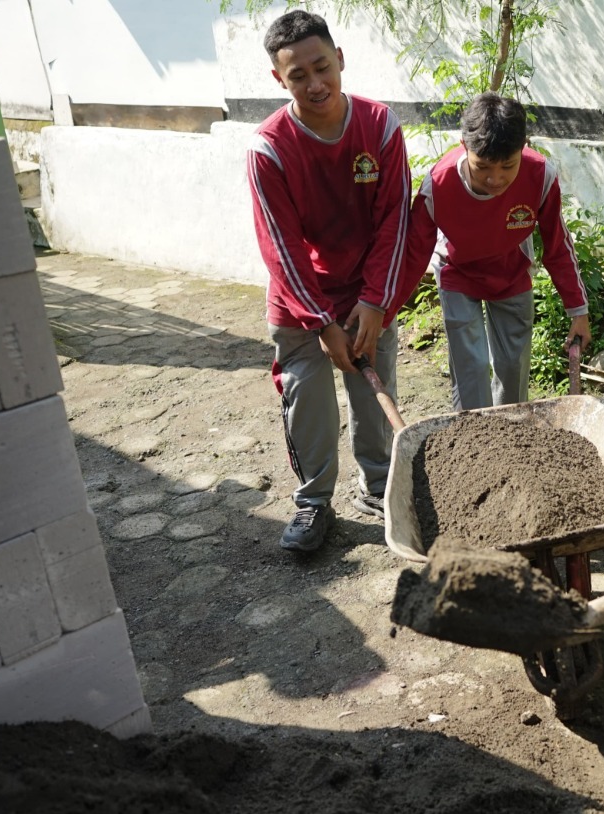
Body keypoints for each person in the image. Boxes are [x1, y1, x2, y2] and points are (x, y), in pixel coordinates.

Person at [247, 10, 411, 552]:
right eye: (298, 76)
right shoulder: (268, 148)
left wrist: (374, 301)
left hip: (365, 292)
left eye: (323, 67)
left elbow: (395, 221)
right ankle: (314, 502)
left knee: (373, 393)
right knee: (306, 397)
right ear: (279, 79)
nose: (315, 84)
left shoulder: (380, 126)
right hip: (300, 302)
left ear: (340, 60)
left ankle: (381, 488)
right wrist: (319, 321)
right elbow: (281, 247)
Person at [396, 92, 591, 410]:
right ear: (464, 144)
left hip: (511, 271)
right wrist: (383, 312)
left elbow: (557, 246)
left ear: (524, 146)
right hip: (458, 272)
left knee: (513, 366)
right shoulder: (438, 185)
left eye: (507, 166)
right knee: (470, 366)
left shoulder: (539, 176)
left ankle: (510, 434)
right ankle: (475, 442)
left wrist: (578, 311)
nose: (495, 178)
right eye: (483, 166)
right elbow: (414, 254)